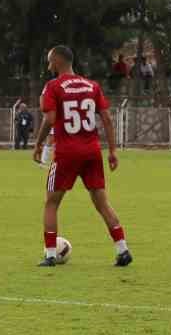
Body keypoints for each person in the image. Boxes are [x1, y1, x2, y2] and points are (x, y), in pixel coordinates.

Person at [31, 45, 131, 267]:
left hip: (67, 152)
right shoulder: (91, 85)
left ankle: (49, 255)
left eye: (50, 61)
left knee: (51, 203)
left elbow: (49, 119)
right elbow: (106, 118)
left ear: (57, 61)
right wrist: (113, 150)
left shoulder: (53, 86)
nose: (49, 66)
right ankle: (122, 249)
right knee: (102, 202)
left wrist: (38, 145)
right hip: (92, 151)